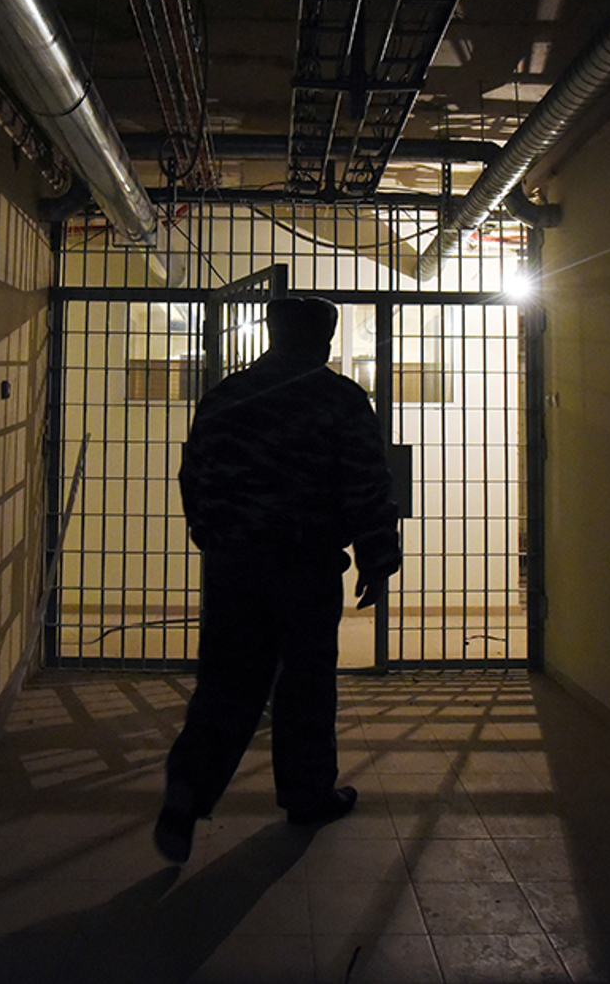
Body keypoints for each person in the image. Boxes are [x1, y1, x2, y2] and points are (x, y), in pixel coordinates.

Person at [154, 295, 402, 863]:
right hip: (306, 566)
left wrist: (214, 535)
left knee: (226, 684)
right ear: (324, 340)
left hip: (235, 566)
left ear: (272, 332)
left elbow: (194, 473)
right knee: (305, 685)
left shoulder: (226, 396)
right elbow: (366, 483)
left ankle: (188, 790)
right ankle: (307, 795)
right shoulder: (340, 399)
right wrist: (377, 557)